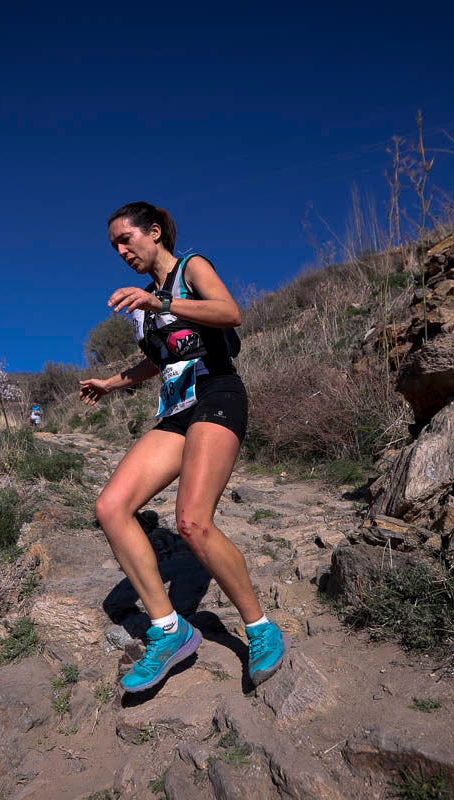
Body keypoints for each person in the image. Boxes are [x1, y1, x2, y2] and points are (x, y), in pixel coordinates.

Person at [79, 201, 288, 693]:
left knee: (191, 522)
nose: (120, 249)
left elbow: (229, 313)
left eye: (125, 238)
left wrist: (163, 303)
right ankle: (170, 630)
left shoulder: (190, 268)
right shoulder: (147, 304)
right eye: (113, 245)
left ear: (153, 232)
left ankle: (259, 628)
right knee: (111, 507)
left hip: (218, 393)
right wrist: (112, 383)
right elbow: (159, 360)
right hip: (176, 411)